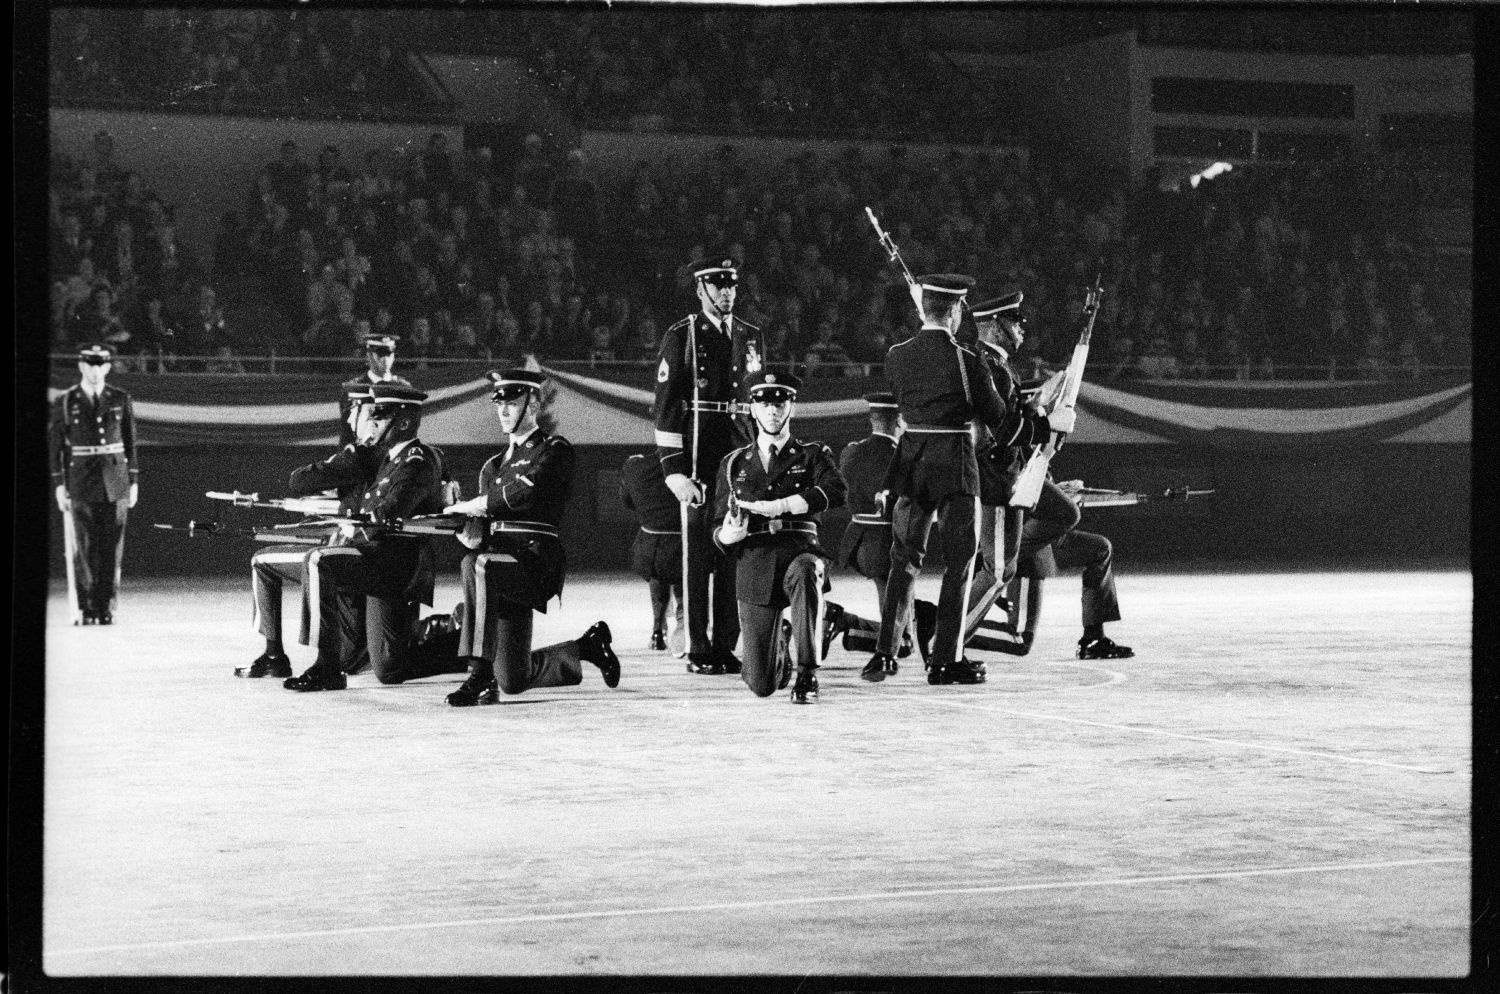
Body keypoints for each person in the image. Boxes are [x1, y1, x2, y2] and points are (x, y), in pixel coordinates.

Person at [867, 274, 1037, 687]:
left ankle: (885, 654)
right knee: (959, 564)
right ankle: (946, 658)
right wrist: (1042, 424)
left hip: (912, 462)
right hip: (956, 466)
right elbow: (1002, 421)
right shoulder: (967, 358)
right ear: (958, 309)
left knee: (903, 561)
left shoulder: (896, 355)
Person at [443, 369, 620, 706]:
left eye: (512, 402)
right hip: (499, 568)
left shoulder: (554, 450)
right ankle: (586, 647)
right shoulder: (493, 466)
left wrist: (476, 504)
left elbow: (526, 494)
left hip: (534, 562)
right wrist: (459, 523)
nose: (503, 411)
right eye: (500, 404)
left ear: (535, 403)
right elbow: (480, 535)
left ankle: (478, 676)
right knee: (512, 679)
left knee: (476, 565)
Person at [281, 384, 461, 690]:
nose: (371, 423)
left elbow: (388, 512)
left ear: (402, 423)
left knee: (319, 561)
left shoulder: (418, 460)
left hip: (394, 568)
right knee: (389, 668)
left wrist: (350, 518)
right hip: (374, 560)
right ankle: (463, 639)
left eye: (379, 417)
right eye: (372, 415)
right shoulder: (389, 459)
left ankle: (326, 666)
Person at [653, 253, 767, 676]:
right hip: (699, 459)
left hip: (738, 459)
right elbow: (664, 408)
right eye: (718, 286)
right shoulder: (682, 334)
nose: (726, 293)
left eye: (731, 286)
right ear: (701, 290)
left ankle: (725, 644)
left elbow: (760, 404)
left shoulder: (751, 336)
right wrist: (674, 472)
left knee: (733, 553)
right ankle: (698, 645)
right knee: (697, 557)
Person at [712, 372, 847, 704]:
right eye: (764, 405)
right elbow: (716, 526)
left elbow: (836, 490)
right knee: (762, 685)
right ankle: (783, 646)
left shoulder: (812, 455)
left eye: (780, 404)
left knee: (806, 571)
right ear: (753, 411)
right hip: (755, 563)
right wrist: (730, 532)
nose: (772, 411)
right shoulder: (733, 464)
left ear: (791, 409)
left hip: (798, 552)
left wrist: (783, 506)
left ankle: (807, 673)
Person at [238, 383, 377, 679]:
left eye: (356, 409)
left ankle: (277, 655)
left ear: (373, 414)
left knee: (262, 561)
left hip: (352, 547)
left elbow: (298, 481)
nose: (350, 418)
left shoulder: (361, 454)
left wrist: (331, 469)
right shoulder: (387, 455)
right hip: (360, 546)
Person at [962, 291, 1061, 647]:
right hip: (998, 477)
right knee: (1000, 570)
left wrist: (1037, 409)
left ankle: (951, 639)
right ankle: (952, 642)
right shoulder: (990, 366)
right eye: (1014, 321)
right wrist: (1046, 424)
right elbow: (1002, 431)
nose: (1021, 327)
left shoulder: (1000, 366)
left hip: (1009, 473)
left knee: (1063, 512)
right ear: (993, 325)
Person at [827, 392, 935, 666]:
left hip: (858, 541)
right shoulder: (905, 459)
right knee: (901, 641)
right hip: (890, 545)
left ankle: (847, 626)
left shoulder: (850, 452)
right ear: (899, 421)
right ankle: (843, 622)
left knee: (899, 632)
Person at [969, 483, 1134, 661]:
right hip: (1023, 540)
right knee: (1019, 640)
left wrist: (1058, 490)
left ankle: (1093, 639)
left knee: (1099, 548)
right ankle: (945, 630)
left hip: (1042, 535)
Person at [50, 342, 138, 625]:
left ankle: (107, 606)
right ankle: (87, 607)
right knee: (85, 547)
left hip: (115, 480)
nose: (96, 369)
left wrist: (133, 481)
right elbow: (55, 447)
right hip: (81, 481)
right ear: (81, 366)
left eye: (101, 364)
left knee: (112, 547)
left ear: (108, 366)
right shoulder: (67, 401)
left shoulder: (120, 398)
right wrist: (59, 484)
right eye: (91, 363)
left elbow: (129, 443)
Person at [619, 450, 686, 654]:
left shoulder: (636, 466)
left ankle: (658, 630)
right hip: (683, 539)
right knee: (684, 585)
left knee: (657, 579)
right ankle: (683, 625)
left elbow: (627, 500)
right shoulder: (686, 468)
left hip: (651, 540)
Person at [338, 332, 413, 446]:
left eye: (389, 353)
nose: (385, 358)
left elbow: (408, 431)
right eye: (381, 353)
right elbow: (347, 433)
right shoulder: (353, 389)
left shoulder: (403, 388)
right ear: (369, 355)